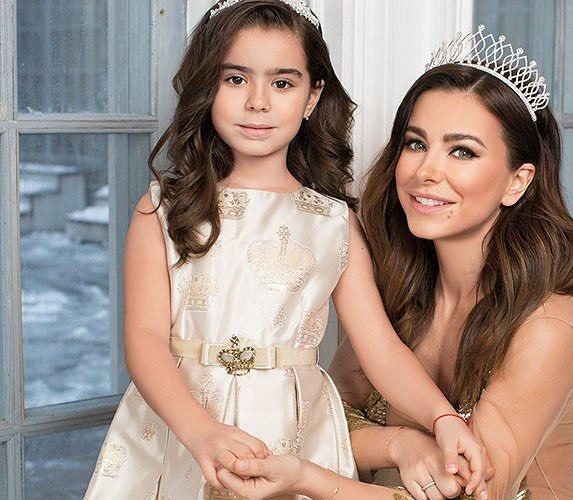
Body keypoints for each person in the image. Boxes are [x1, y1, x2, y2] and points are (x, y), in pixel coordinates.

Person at [83, 3, 487, 499]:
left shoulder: (333, 222)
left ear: (312, 96)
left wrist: (443, 418)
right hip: (178, 427)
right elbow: (143, 339)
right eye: (235, 79)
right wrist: (199, 431)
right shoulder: (162, 210)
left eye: (281, 83)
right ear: (208, 86)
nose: (258, 102)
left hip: (290, 432)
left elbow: (380, 349)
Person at [210, 26, 573, 500]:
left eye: (462, 151)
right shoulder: (399, 293)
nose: (426, 171)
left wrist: (306, 476)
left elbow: (468, 495)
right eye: (416, 143)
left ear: (517, 181)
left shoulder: (548, 326)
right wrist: (402, 444)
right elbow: (319, 417)